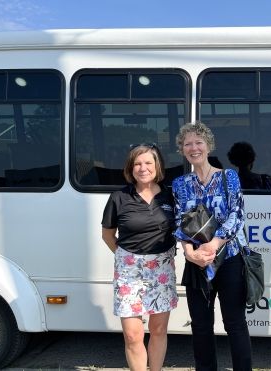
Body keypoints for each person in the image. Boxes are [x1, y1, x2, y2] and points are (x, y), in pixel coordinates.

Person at [172, 122, 252, 371]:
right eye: (188, 144)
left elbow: (237, 215)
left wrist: (215, 243)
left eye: (198, 142)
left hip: (229, 259)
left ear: (208, 146)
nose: (193, 147)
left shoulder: (229, 177)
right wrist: (189, 252)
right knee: (201, 325)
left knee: (235, 324)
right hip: (197, 262)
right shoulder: (180, 184)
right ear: (182, 150)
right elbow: (179, 221)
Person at [101, 143, 178, 371]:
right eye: (137, 163)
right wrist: (128, 260)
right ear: (130, 168)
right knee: (133, 335)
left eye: (148, 162)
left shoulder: (170, 195)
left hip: (162, 270)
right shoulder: (119, 197)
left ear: (157, 166)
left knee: (158, 330)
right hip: (129, 271)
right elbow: (107, 235)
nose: (142, 168)